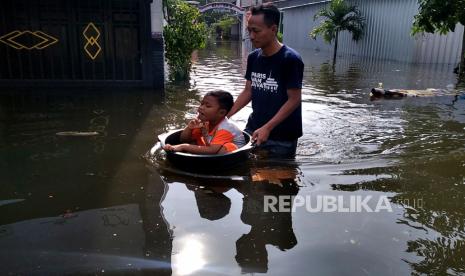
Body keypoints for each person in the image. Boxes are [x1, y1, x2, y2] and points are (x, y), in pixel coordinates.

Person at [227, 4, 304, 157]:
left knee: (278, 176)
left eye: (256, 31)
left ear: (274, 29)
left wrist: (268, 127)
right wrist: (225, 116)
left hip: (282, 136)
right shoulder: (253, 57)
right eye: (249, 30)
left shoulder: (290, 59)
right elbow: (248, 91)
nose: (252, 36)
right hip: (254, 128)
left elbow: (294, 100)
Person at [163, 90, 245, 154]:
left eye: (208, 106)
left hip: (233, 156)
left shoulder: (226, 128)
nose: (201, 108)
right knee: (193, 141)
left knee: (228, 147)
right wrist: (189, 128)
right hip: (212, 148)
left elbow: (212, 150)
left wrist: (183, 147)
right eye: (202, 104)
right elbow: (183, 139)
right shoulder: (205, 122)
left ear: (221, 113)